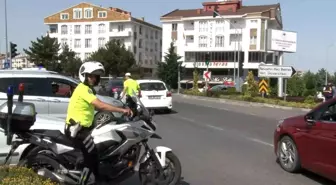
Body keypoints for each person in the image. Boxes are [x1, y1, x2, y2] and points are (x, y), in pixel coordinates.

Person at [64, 61, 132, 184]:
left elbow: (93, 107)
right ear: (84, 75)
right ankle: (84, 182)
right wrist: (122, 110)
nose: (93, 79)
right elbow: (99, 105)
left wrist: (111, 117)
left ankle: (97, 179)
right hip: (78, 131)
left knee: (95, 155)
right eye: (91, 76)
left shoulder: (88, 90)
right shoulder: (83, 89)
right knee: (91, 158)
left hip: (82, 129)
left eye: (95, 76)